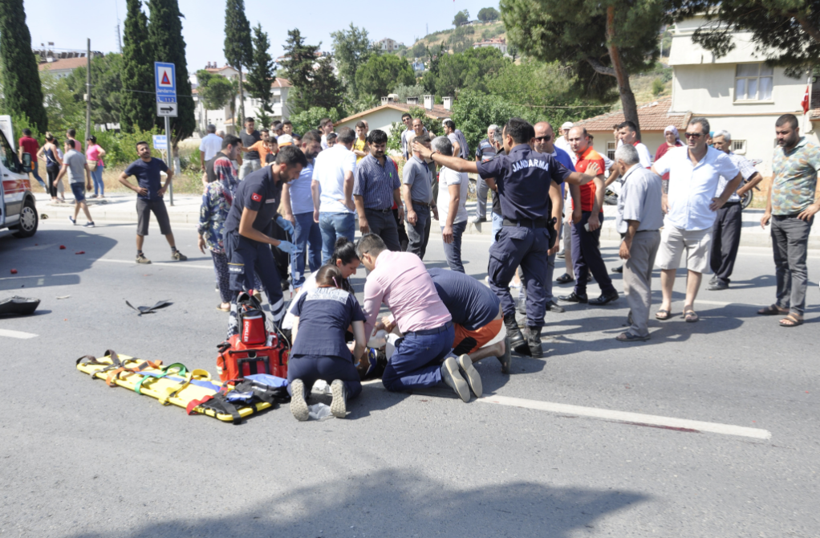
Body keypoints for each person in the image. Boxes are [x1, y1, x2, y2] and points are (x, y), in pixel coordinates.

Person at [414, 118, 603, 358]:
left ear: (509, 139)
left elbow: (460, 165)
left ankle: (513, 332)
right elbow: (576, 179)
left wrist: (431, 155)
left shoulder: (503, 161)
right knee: (535, 287)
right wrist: (589, 174)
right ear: (532, 139)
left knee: (497, 281)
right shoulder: (547, 160)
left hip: (513, 233)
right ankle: (535, 340)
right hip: (539, 235)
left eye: (503, 137)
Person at [357, 234, 479, 403]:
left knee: (390, 379)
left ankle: (442, 373)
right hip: (447, 333)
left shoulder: (374, 278)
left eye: (361, 262)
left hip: (424, 341)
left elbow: (368, 321)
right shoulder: (411, 257)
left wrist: (358, 350)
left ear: (366, 256)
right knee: (417, 358)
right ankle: (456, 365)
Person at [651, 118, 741, 323]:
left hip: (702, 223)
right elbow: (654, 172)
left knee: (695, 267)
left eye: (696, 135)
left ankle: (689, 306)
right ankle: (666, 303)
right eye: (688, 134)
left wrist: (723, 198)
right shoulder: (674, 154)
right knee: (667, 265)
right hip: (674, 221)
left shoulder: (718, 158)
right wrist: (662, 195)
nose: (691, 138)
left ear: (707, 138)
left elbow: (736, 178)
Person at [223, 146, 306, 336]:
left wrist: (278, 219)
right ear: (283, 166)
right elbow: (244, 228)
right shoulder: (258, 184)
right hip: (240, 239)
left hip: (258, 237)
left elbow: (263, 208)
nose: (297, 177)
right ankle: (235, 334)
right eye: (295, 172)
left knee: (273, 284)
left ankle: (281, 330)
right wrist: (277, 243)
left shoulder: (278, 181)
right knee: (245, 291)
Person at [758, 114, 820, 328]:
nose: (780, 136)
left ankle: (797, 311)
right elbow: (774, 181)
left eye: (784, 132)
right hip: (778, 217)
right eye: (777, 133)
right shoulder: (778, 151)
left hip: (798, 217)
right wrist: (767, 211)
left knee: (796, 266)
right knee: (781, 264)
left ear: (796, 130)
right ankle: (782, 303)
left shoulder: (811, 150)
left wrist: (817, 204)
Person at [287, 264, 367, 421]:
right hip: (334, 358)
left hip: (301, 358)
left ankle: (301, 389)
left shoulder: (305, 296)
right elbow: (361, 342)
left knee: (292, 383)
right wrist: (355, 361)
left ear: (317, 282)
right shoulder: (348, 298)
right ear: (339, 282)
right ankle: (343, 388)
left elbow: (295, 338)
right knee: (355, 385)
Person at [558, 127, 619, 306]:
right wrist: (572, 209)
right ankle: (580, 292)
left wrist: (594, 215)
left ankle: (608, 290)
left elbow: (600, 188)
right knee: (578, 255)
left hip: (589, 214)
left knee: (591, 255)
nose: (574, 143)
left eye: (578, 139)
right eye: (571, 139)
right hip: (579, 213)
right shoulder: (578, 158)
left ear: (587, 139)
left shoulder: (594, 158)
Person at [612, 144, 664, 342]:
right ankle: (638, 317)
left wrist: (627, 240)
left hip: (639, 236)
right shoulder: (651, 176)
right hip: (652, 235)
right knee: (643, 280)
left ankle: (639, 328)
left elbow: (633, 216)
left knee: (634, 284)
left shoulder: (633, 181)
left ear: (622, 163)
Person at [709, 130, 764, 291]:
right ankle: (717, 272)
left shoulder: (737, 160)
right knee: (713, 245)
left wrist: (741, 191)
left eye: (721, 143)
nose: (717, 146)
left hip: (731, 206)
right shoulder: (711, 159)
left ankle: (723, 277)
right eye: (715, 143)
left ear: (729, 143)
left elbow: (757, 177)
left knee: (728, 245)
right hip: (713, 207)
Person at [428, 267, 509, 375]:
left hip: (487, 322)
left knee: (445, 363)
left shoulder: (431, 292)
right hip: (489, 307)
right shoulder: (428, 273)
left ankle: (497, 348)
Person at [532, 121, 577, 314]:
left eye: (546, 137)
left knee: (550, 258)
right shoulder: (526, 155)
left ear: (553, 136)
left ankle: (547, 298)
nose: (542, 142)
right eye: (538, 138)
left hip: (552, 215)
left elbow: (574, 181)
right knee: (528, 261)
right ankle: (527, 300)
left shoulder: (563, 156)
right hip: (530, 216)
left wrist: (576, 207)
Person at [119, 141, 188, 264]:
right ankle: (139, 255)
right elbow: (121, 178)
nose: (145, 150)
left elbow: (170, 173)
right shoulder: (136, 165)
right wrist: (135, 188)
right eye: (142, 149)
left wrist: (165, 187)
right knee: (142, 229)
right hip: (143, 200)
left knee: (166, 226)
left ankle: (174, 252)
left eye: (146, 148)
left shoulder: (157, 162)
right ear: (138, 153)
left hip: (157, 199)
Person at [197, 135, 241, 311]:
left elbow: (204, 214)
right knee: (237, 267)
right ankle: (240, 298)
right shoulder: (240, 186)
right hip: (237, 235)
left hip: (217, 237)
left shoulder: (212, 188)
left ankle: (226, 302)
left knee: (221, 271)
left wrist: (200, 235)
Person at [282, 237, 361, 333]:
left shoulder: (337, 275)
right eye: (352, 268)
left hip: (307, 323)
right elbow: (335, 315)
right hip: (294, 328)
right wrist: (360, 332)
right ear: (339, 262)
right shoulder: (325, 279)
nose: (355, 272)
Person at [281, 130, 324, 292]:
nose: (317, 150)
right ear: (304, 145)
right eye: (314, 147)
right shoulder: (295, 163)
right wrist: (288, 213)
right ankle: (297, 281)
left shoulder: (316, 162)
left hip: (315, 213)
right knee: (298, 249)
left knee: (315, 248)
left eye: (319, 147)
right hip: (299, 214)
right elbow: (285, 188)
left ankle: (316, 278)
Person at [312, 126, 357, 264]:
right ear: (352, 142)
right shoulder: (349, 155)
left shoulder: (322, 154)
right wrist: (348, 200)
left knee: (327, 253)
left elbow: (314, 184)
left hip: (325, 209)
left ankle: (327, 284)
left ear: (337, 139)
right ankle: (341, 284)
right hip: (342, 211)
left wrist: (316, 208)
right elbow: (348, 177)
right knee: (344, 254)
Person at [353, 129, 403, 251]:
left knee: (394, 252)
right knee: (372, 253)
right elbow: (357, 194)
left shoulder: (390, 163)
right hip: (371, 216)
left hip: (389, 215)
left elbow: (395, 186)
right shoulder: (363, 166)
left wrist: (400, 206)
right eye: (376, 146)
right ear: (369, 144)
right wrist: (362, 217)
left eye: (383, 146)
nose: (380, 149)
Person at [433, 136, 469, 272]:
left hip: (453, 222)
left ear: (438, 152)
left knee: (453, 262)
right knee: (453, 260)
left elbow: (455, 197)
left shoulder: (451, 169)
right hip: (453, 219)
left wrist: (448, 225)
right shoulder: (450, 166)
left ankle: (464, 292)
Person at [402, 132, 437, 259]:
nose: (430, 149)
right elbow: (406, 188)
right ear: (417, 147)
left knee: (422, 244)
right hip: (416, 208)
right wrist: (410, 210)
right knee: (416, 244)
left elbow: (427, 189)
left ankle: (417, 271)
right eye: (427, 146)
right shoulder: (411, 164)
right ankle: (408, 273)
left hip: (425, 209)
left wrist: (433, 206)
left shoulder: (424, 164)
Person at [55, 140, 94, 227]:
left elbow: (63, 169)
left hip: (74, 181)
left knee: (81, 200)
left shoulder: (67, 155)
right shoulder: (81, 155)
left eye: (65, 145)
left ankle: (90, 221)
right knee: (78, 200)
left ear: (69, 145)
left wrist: (57, 180)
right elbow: (87, 169)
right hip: (82, 181)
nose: (64, 147)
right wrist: (88, 182)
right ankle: (74, 218)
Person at [472, 124, 499, 224]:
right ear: (487, 133)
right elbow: (477, 156)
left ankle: (494, 216)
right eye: (490, 132)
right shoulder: (482, 143)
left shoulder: (500, 143)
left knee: (495, 195)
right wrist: (479, 168)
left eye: (494, 132)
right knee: (480, 193)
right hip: (483, 172)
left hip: (495, 174)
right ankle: (481, 216)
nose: (492, 134)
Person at [37, 133, 62, 203]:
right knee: (55, 181)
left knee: (50, 182)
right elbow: (56, 157)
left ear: (45, 139)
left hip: (48, 166)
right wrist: (61, 164)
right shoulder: (53, 146)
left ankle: (52, 197)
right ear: (53, 139)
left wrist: (44, 159)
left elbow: (38, 154)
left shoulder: (44, 146)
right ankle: (55, 197)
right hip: (54, 165)